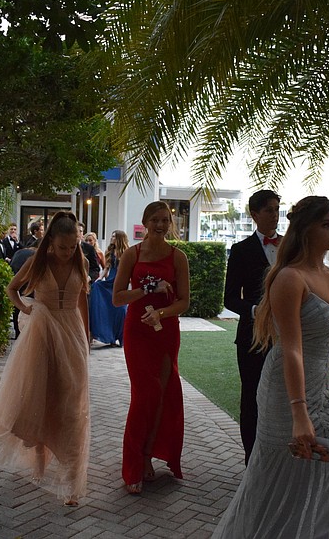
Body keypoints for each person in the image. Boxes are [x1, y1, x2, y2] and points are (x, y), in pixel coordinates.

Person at [213, 196, 329, 538]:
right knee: (279, 481)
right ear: (305, 228)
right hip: (288, 392)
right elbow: (293, 348)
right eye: (327, 224)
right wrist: (300, 412)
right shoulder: (289, 278)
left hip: (324, 388)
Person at [0, 211, 91, 507]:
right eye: (62, 247)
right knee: (41, 396)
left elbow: (83, 300)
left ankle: (71, 479)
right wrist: (28, 310)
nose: (68, 252)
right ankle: (40, 457)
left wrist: (88, 337)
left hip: (71, 335)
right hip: (42, 336)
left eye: (72, 247)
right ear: (50, 242)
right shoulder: (36, 262)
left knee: (71, 404)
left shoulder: (80, 263)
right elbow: (12, 289)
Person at [112, 201, 190, 495]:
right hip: (137, 333)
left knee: (161, 396)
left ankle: (147, 458)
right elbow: (118, 298)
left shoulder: (177, 257)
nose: (160, 224)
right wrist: (147, 290)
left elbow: (184, 301)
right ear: (145, 221)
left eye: (165, 220)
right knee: (144, 396)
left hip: (165, 332)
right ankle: (132, 463)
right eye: (155, 219)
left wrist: (161, 313)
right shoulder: (132, 254)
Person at [223, 189, 281, 465]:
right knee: (252, 399)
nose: (274, 215)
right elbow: (230, 298)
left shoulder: (290, 249)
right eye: (269, 209)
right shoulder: (241, 250)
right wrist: (257, 311)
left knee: (281, 397)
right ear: (254, 214)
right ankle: (251, 460)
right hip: (252, 338)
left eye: (277, 209)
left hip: (287, 337)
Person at [89, 230, 129, 346]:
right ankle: (109, 336)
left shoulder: (127, 253)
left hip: (121, 282)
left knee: (121, 310)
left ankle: (120, 337)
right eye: (111, 236)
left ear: (119, 239)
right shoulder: (110, 251)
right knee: (109, 307)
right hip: (110, 281)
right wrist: (99, 279)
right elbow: (107, 268)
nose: (111, 238)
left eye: (114, 236)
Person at [8, 246, 36, 338]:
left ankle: (17, 333)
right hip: (31, 293)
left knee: (16, 312)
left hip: (22, 291)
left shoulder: (18, 253)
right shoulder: (35, 259)